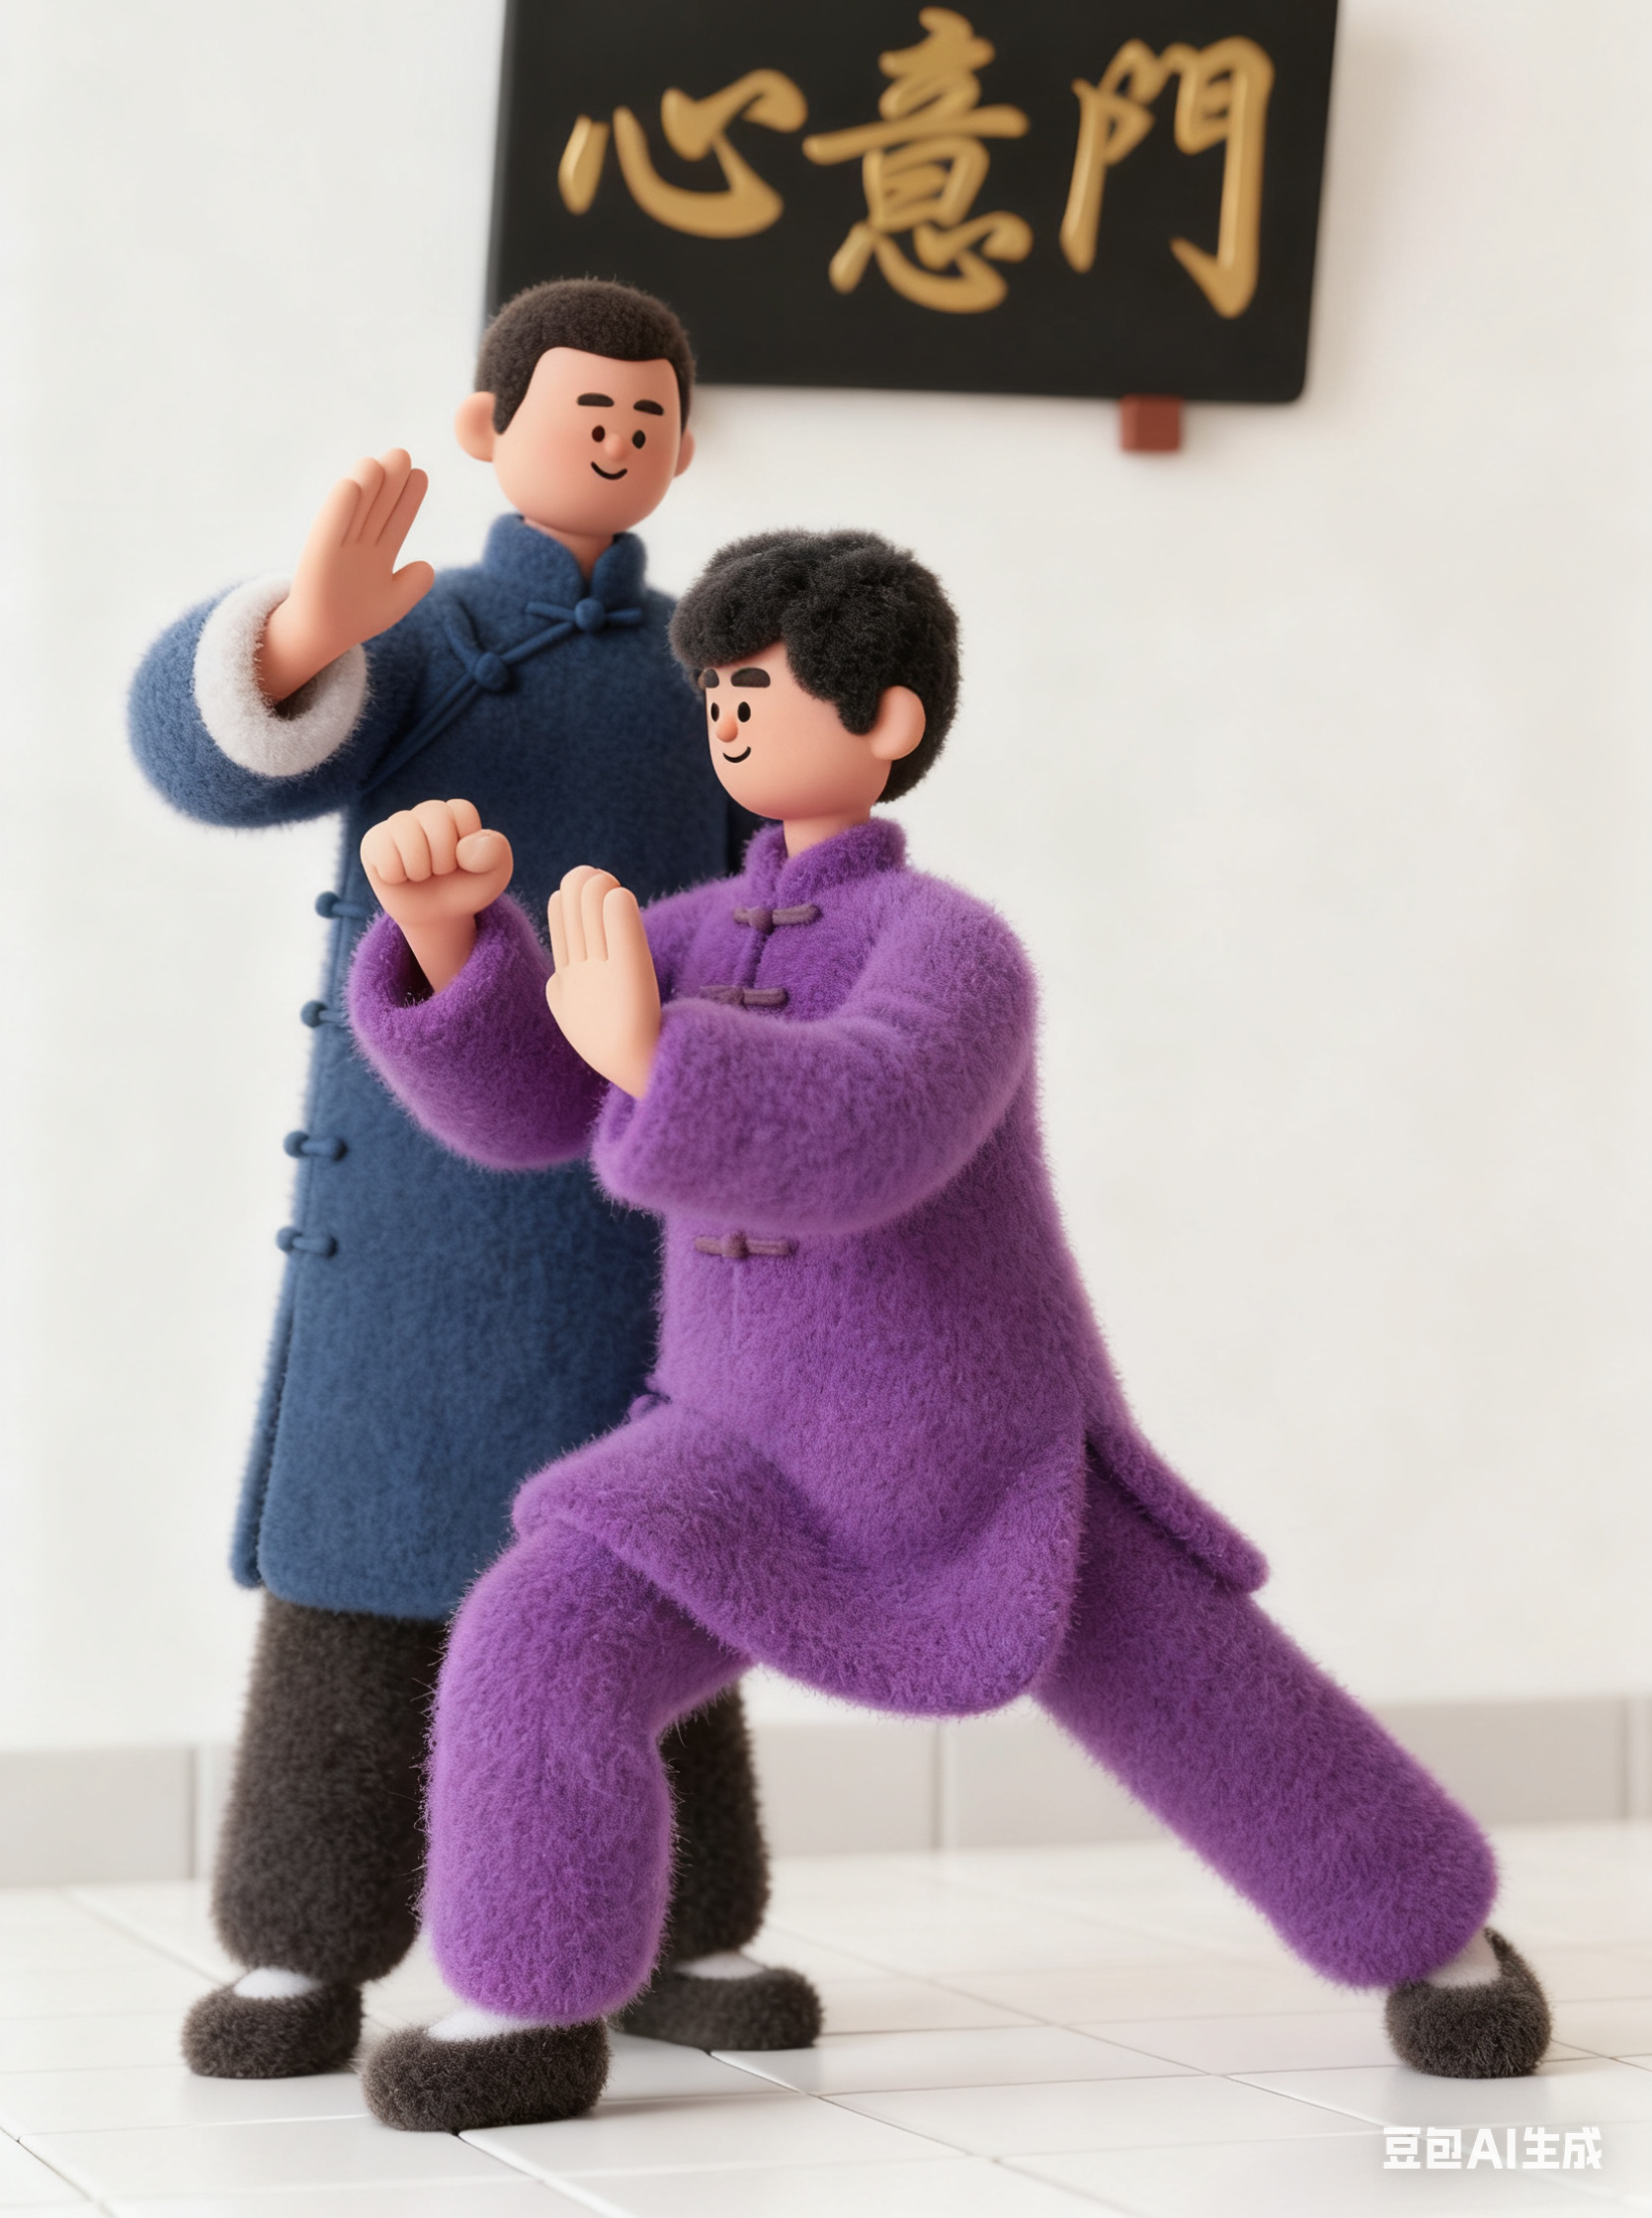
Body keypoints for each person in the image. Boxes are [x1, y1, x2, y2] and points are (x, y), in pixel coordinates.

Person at [346, 527, 1552, 2132]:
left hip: (978, 1455)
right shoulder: (688, 932)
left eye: (759, 687)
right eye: (717, 691)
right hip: (727, 1447)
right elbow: (526, 1111)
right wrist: (449, 948)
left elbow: (876, 1122)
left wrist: (655, 1051)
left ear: (890, 719)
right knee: (539, 1633)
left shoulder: (950, 949)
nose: (727, 717)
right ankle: (526, 2003)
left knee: (1219, 1710)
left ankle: (1435, 1934)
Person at [127, 281, 816, 2082]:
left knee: (642, 1559)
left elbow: (784, 886)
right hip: (412, 1206)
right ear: (486, 431)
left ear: (682, 447)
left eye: (648, 416)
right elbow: (207, 767)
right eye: (588, 408)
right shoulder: (419, 636)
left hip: (632, 1189)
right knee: (367, 1564)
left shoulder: (711, 671)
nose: (620, 438)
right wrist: (300, 631)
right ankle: (303, 1948)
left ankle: (680, 1925)